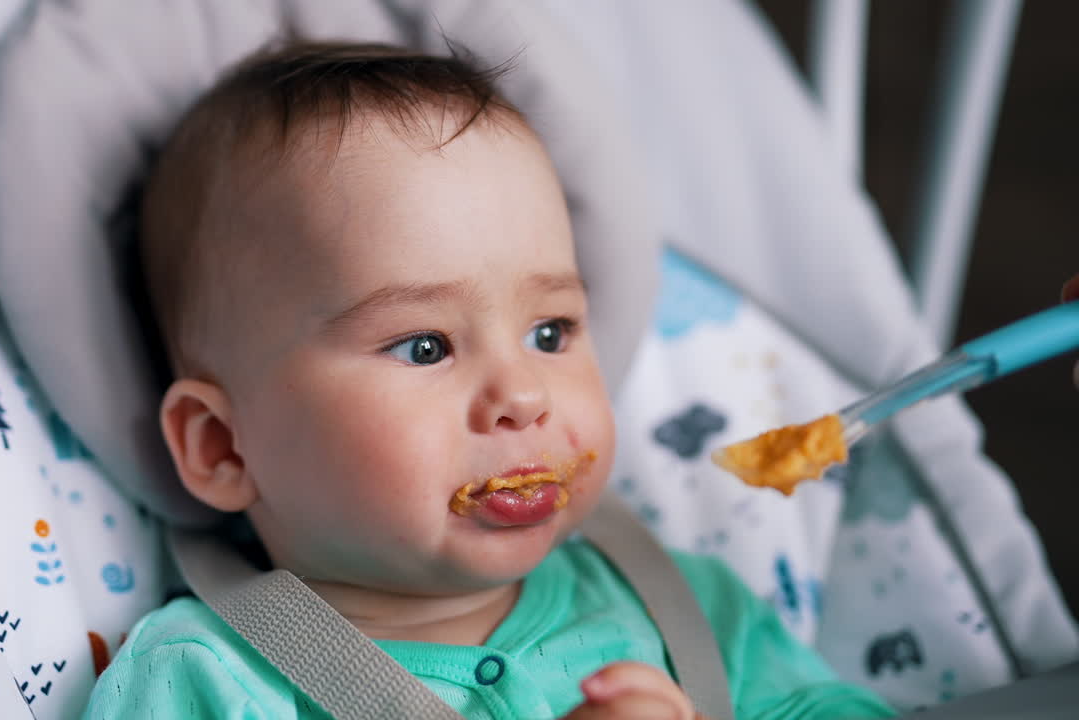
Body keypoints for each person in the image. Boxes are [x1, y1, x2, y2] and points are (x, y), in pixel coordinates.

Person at [85, 41, 895, 720]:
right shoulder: (202, 681)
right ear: (224, 446)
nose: (524, 395)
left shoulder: (682, 605)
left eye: (551, 333)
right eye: (426, 347)